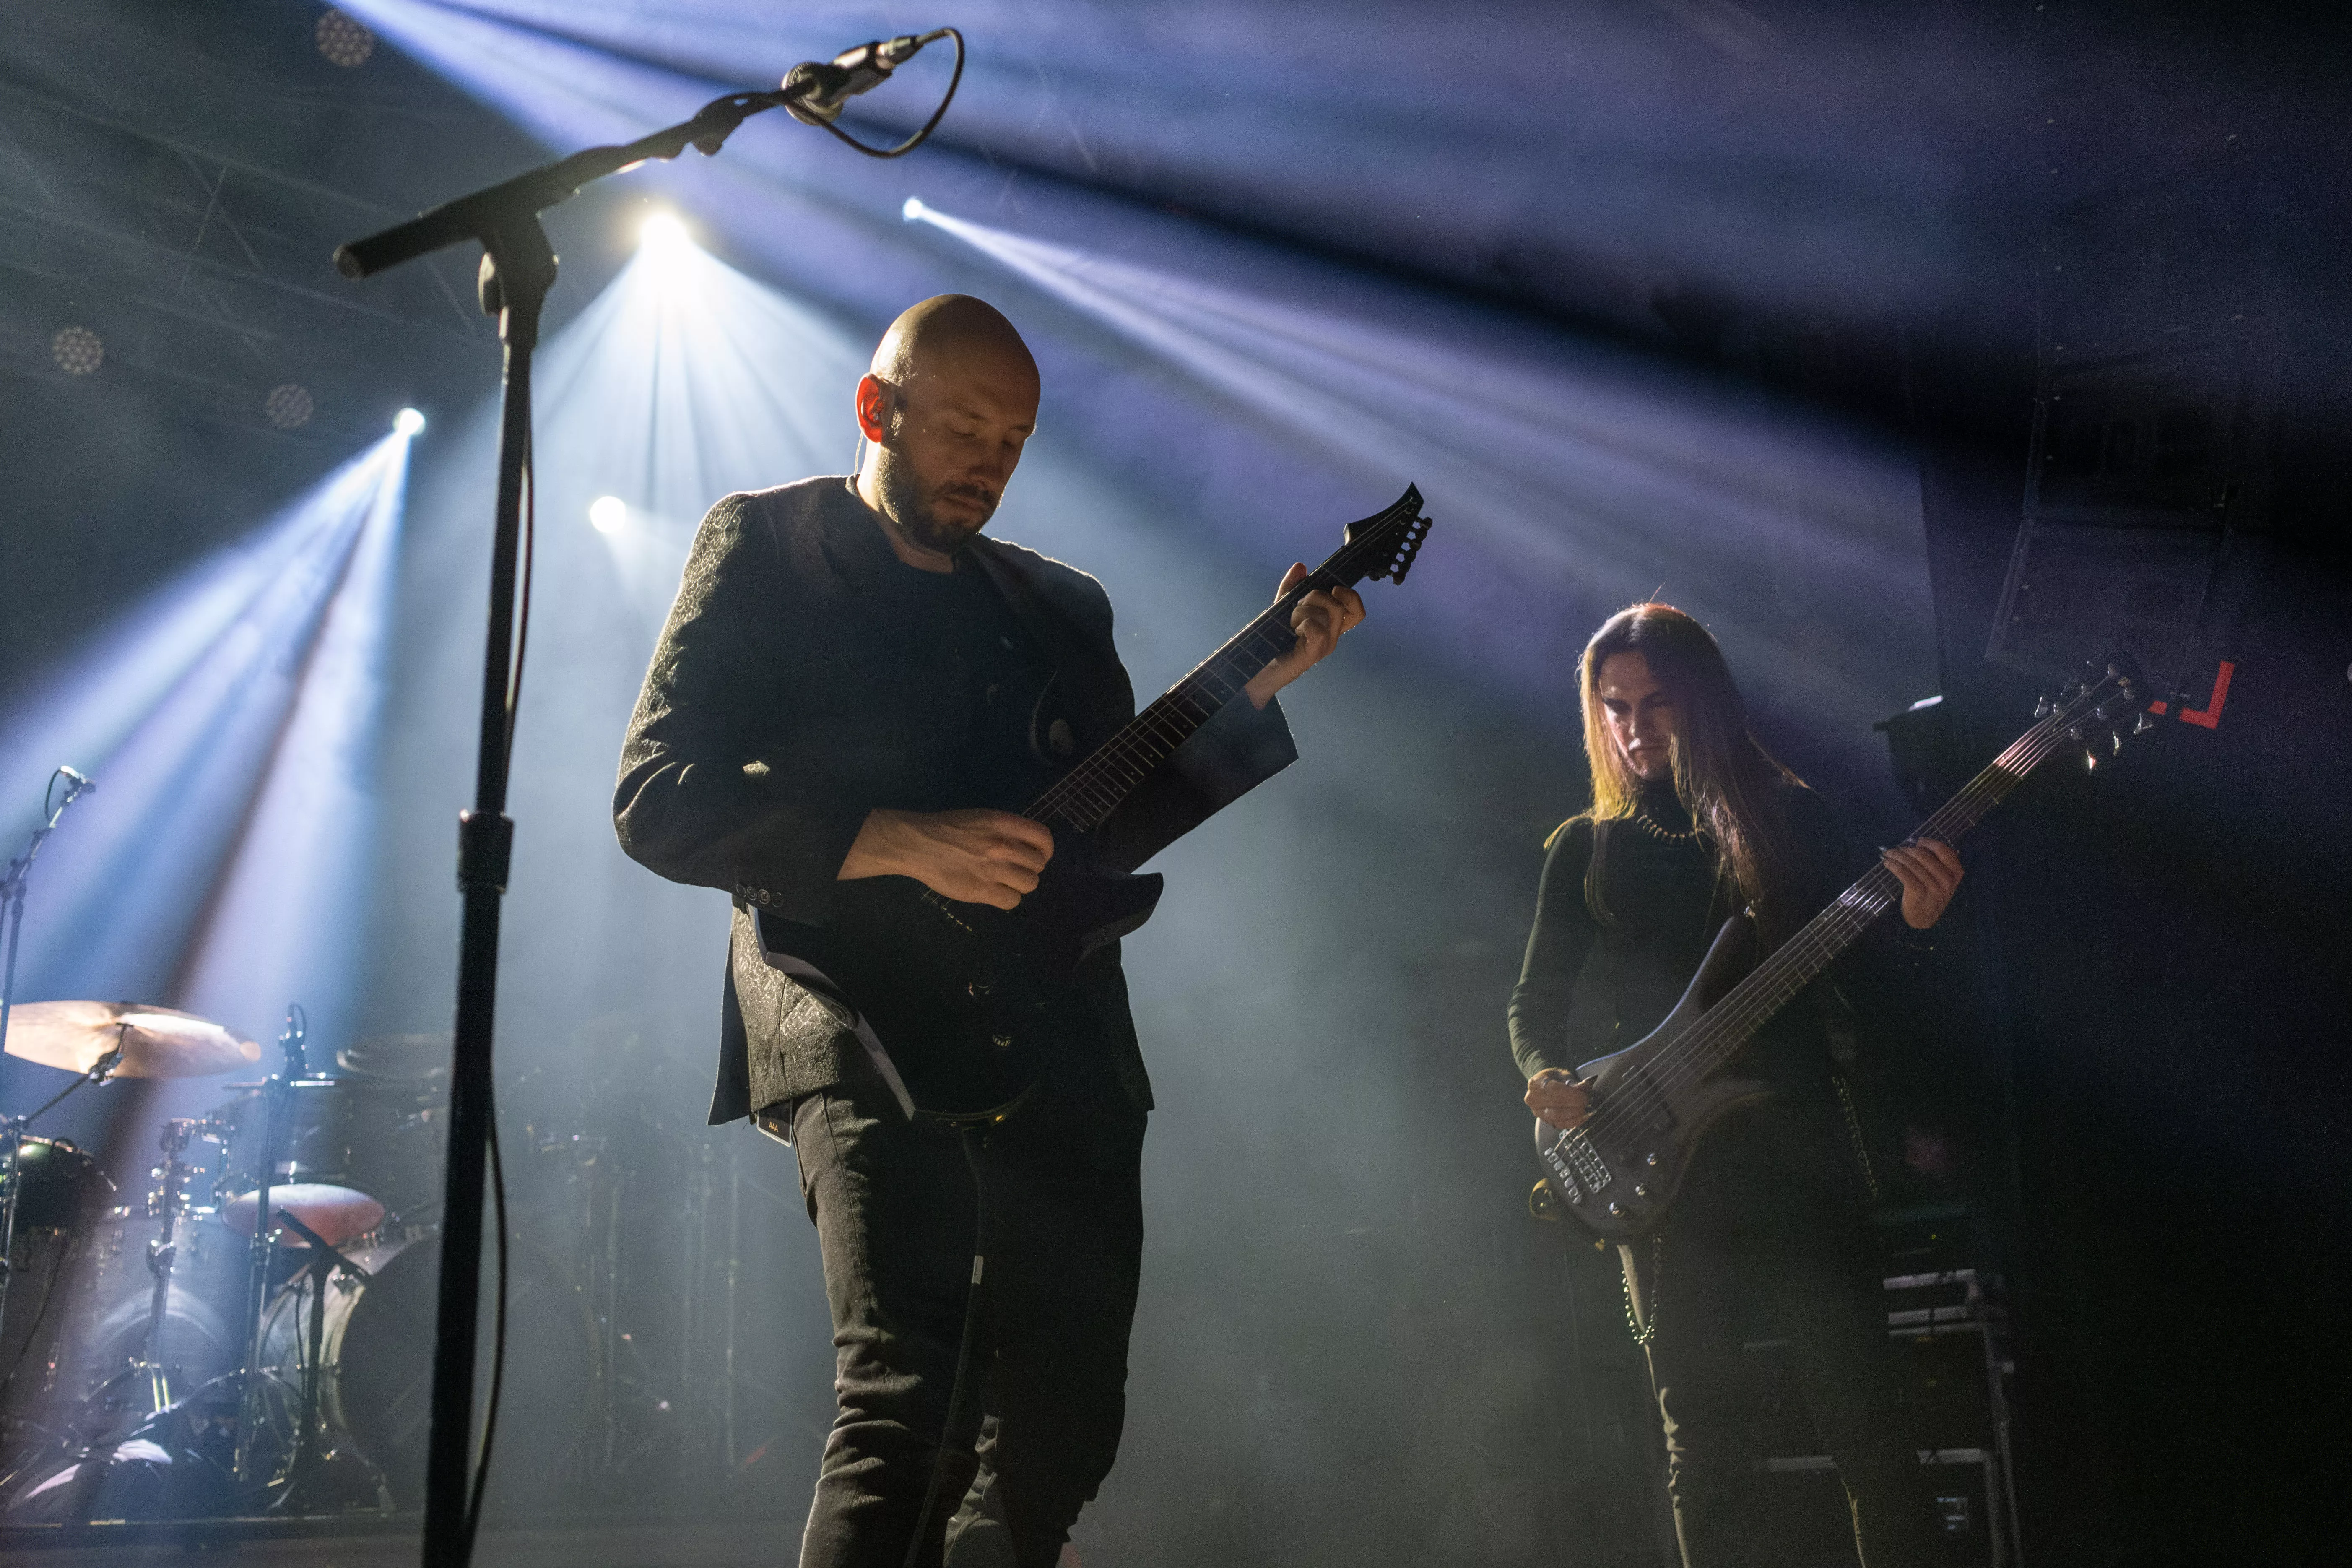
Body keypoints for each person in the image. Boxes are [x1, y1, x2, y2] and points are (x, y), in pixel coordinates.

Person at [613, 295, 1364, 1568]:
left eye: (1014, 441)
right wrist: (898, 835)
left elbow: (1104, 831)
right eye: (963, 427)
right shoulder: (769, 545)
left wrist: (1265, 690)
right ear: (877, 409)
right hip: (857, 1015)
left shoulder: (1060, 604)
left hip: (1057, 1023)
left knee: (1066, 1424)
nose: (989, 461)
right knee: (909, 1406)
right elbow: (656, 797)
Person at [1508, 604, 1966, 1568]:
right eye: (1615, 707)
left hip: (1799, 1161)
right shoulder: (1584, 848)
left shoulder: (1793, 817)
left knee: (1870, 1438)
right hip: (1661, 1168)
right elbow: (1531, 1004)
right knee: (1701, 1451)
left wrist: (1921, 928)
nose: (1634, 729)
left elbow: (1887, 1001)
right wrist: (1544, 1075)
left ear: (1703, 702)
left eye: (1656, 704)